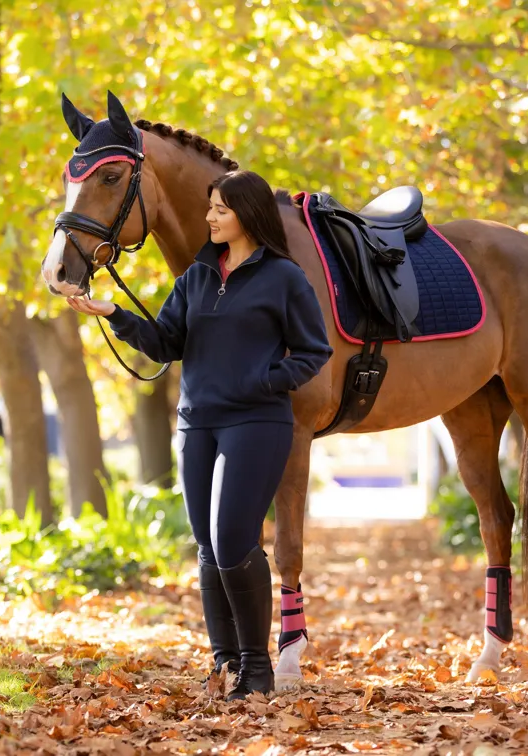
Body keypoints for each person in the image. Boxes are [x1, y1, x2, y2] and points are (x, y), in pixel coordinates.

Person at [67, 170, 333, 699]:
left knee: (233, 539)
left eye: (220, 209)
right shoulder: (196, 277)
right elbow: (166, 342)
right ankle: (224, 661)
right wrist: (114, 313)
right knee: (208, 546)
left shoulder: (284, 277)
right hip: (197, 423)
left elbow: (313, 351)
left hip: (256, 421)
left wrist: (264, 380)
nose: (209, 217)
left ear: (247, 215)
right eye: (210, 207)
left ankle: (257, 667)